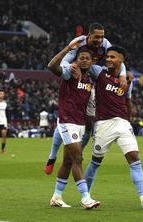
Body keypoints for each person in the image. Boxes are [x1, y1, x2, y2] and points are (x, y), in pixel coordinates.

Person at [84, 46, 143, 209]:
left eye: (113, 57)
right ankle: (85, 196)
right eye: (108, 56)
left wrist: (128, 120)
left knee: (134, 158)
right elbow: (84, 62)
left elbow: (127, 101)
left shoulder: (127, 80)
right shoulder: (99, 72)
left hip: (122, 123)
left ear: (121, 60)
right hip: (103, 124)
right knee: (96, 161)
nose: (108, 59)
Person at [44, 22, 128, 175]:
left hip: (91, 79)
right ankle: (52, 156)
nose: (100, 40)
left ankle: (78, 151)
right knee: (65, 119)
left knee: (89, 121)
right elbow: (63, 62)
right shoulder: (77, 43)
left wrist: (122, 75)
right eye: (97, 37)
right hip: (74, 77)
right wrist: (71, 68)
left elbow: (118, 59)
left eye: (102, 37)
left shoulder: (106, 44)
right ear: (89, 36)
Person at [47, 40, 100, 209]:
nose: (84, 60)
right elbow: (51, 66)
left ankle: (56, 197)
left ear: (92, 62)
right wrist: (67, 49)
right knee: (78, 158)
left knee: (68, 162)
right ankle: (85, 198)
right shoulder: (69, 73)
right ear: (76, 60)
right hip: (66, 122)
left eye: (87, 58)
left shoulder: (90, 79)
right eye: (81, 57)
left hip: (80, 124)